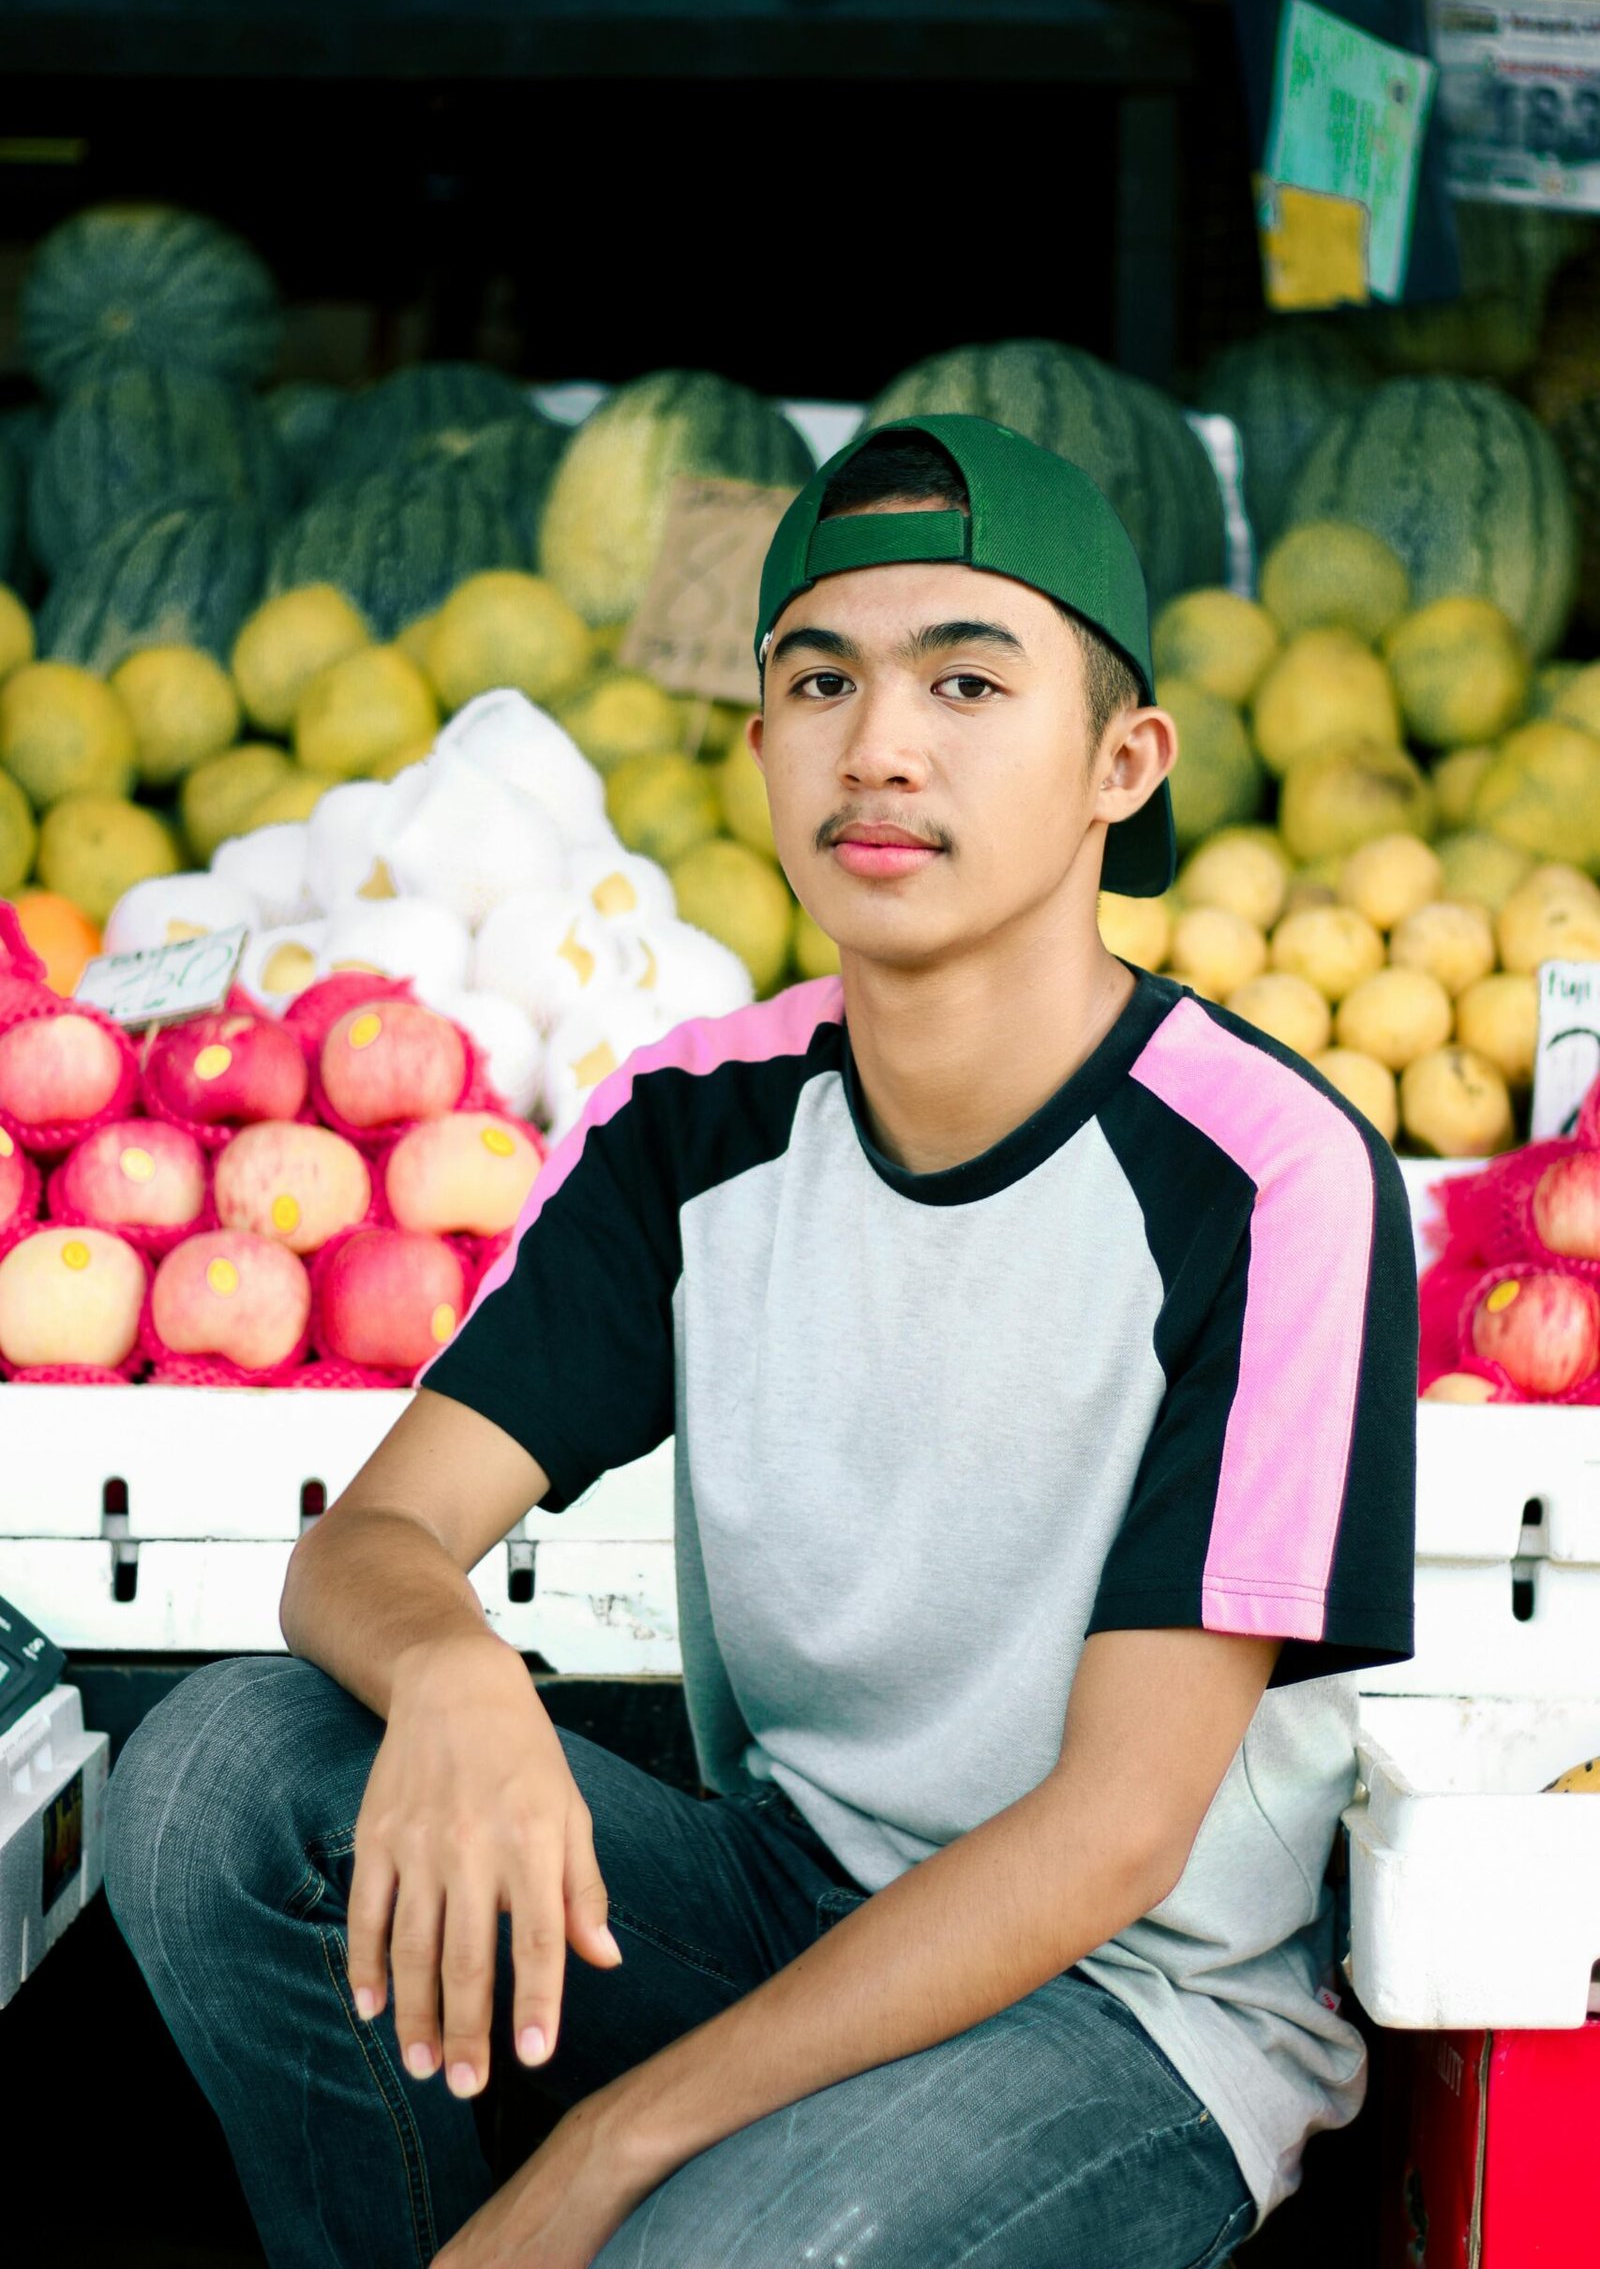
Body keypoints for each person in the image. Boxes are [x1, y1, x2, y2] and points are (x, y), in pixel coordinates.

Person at [103, 413, 1418, 2269]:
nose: (880, 745)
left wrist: (604, 2152)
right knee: (227, 1780)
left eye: (969, 680)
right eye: (822, 680)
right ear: (760, 746)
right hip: (782, 1890)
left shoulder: (1269, 1177)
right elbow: (369, 1551)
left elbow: (1120, 1833)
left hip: (1129, 2011)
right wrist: (462, 1680)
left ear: (1125, 762)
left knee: (689, 2251)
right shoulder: (696, 1120)